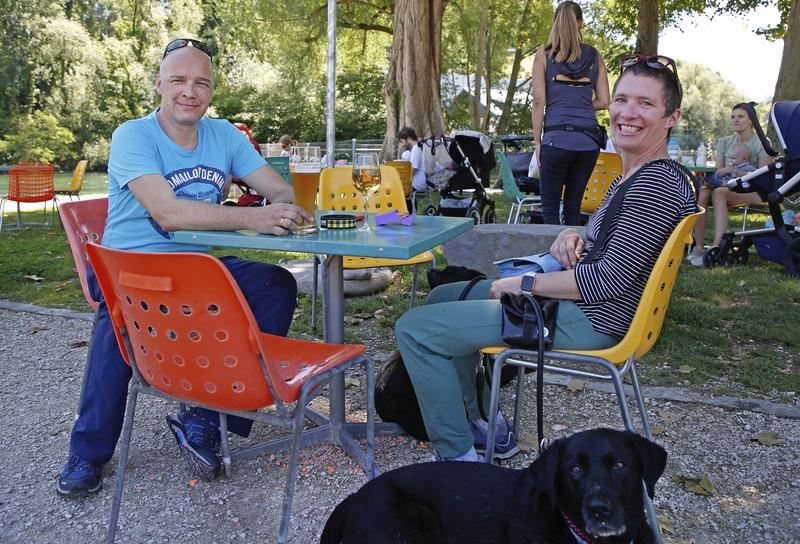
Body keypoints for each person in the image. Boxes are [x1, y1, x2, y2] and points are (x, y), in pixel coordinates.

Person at [395, 54, 694, 462]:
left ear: (671, 116)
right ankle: (482, 423)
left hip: (594, 318)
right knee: (441, 298)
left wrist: (523, 284)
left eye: (645, 104)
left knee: (415, 329)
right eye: (622, 99)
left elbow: (607, 281)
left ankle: (458, 460)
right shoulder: (639, 174)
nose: (627, 112)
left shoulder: (653, 183)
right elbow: (615, 246)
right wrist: (575, 236)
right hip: (589, 307)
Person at [57, 38, 312, 497]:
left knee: (275, 283)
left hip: (196, 272)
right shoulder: (133, 134)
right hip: (130, 266)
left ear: (212, 91)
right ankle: (88, 450)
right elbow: (169, 214)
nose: (189, 91)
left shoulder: (225, 136)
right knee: (118, 323)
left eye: (201, 83)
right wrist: (252, 217)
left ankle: (207, 419)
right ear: (159, 84)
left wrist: (276, 204)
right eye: (178, 80)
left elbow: (282, 191)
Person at [531, 0, 610, 226]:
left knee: (549, 212)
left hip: (556, 141)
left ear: (556, 23)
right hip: (588, 143)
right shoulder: (594, 56)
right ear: (581, 24)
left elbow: (538, 102)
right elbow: (604, 101)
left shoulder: (544, 55)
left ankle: (550, 260)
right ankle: (575, 261)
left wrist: (538, 142)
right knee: (573, 209)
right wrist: (582, 105)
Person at [688, 103, 772, 266]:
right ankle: (698, 246)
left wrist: (734, 175)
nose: (735, 120)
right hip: (727, 185)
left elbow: (763, 176)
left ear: (751, 121)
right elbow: (719, 171)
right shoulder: (724, 142)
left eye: (740, 116)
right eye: (733, 117)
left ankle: (717, 247)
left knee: (719, 193)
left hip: (754, 191)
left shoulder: (762, 142)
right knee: (704, 191)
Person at [397, 127, 429, 192]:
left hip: (418, 183)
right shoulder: (421, 145)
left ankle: (408, 202)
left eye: (402, 141)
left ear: (408, 139)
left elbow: (412, 170)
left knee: (394, 187)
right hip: (425, 180)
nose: (402, 145)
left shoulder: (416, 149)